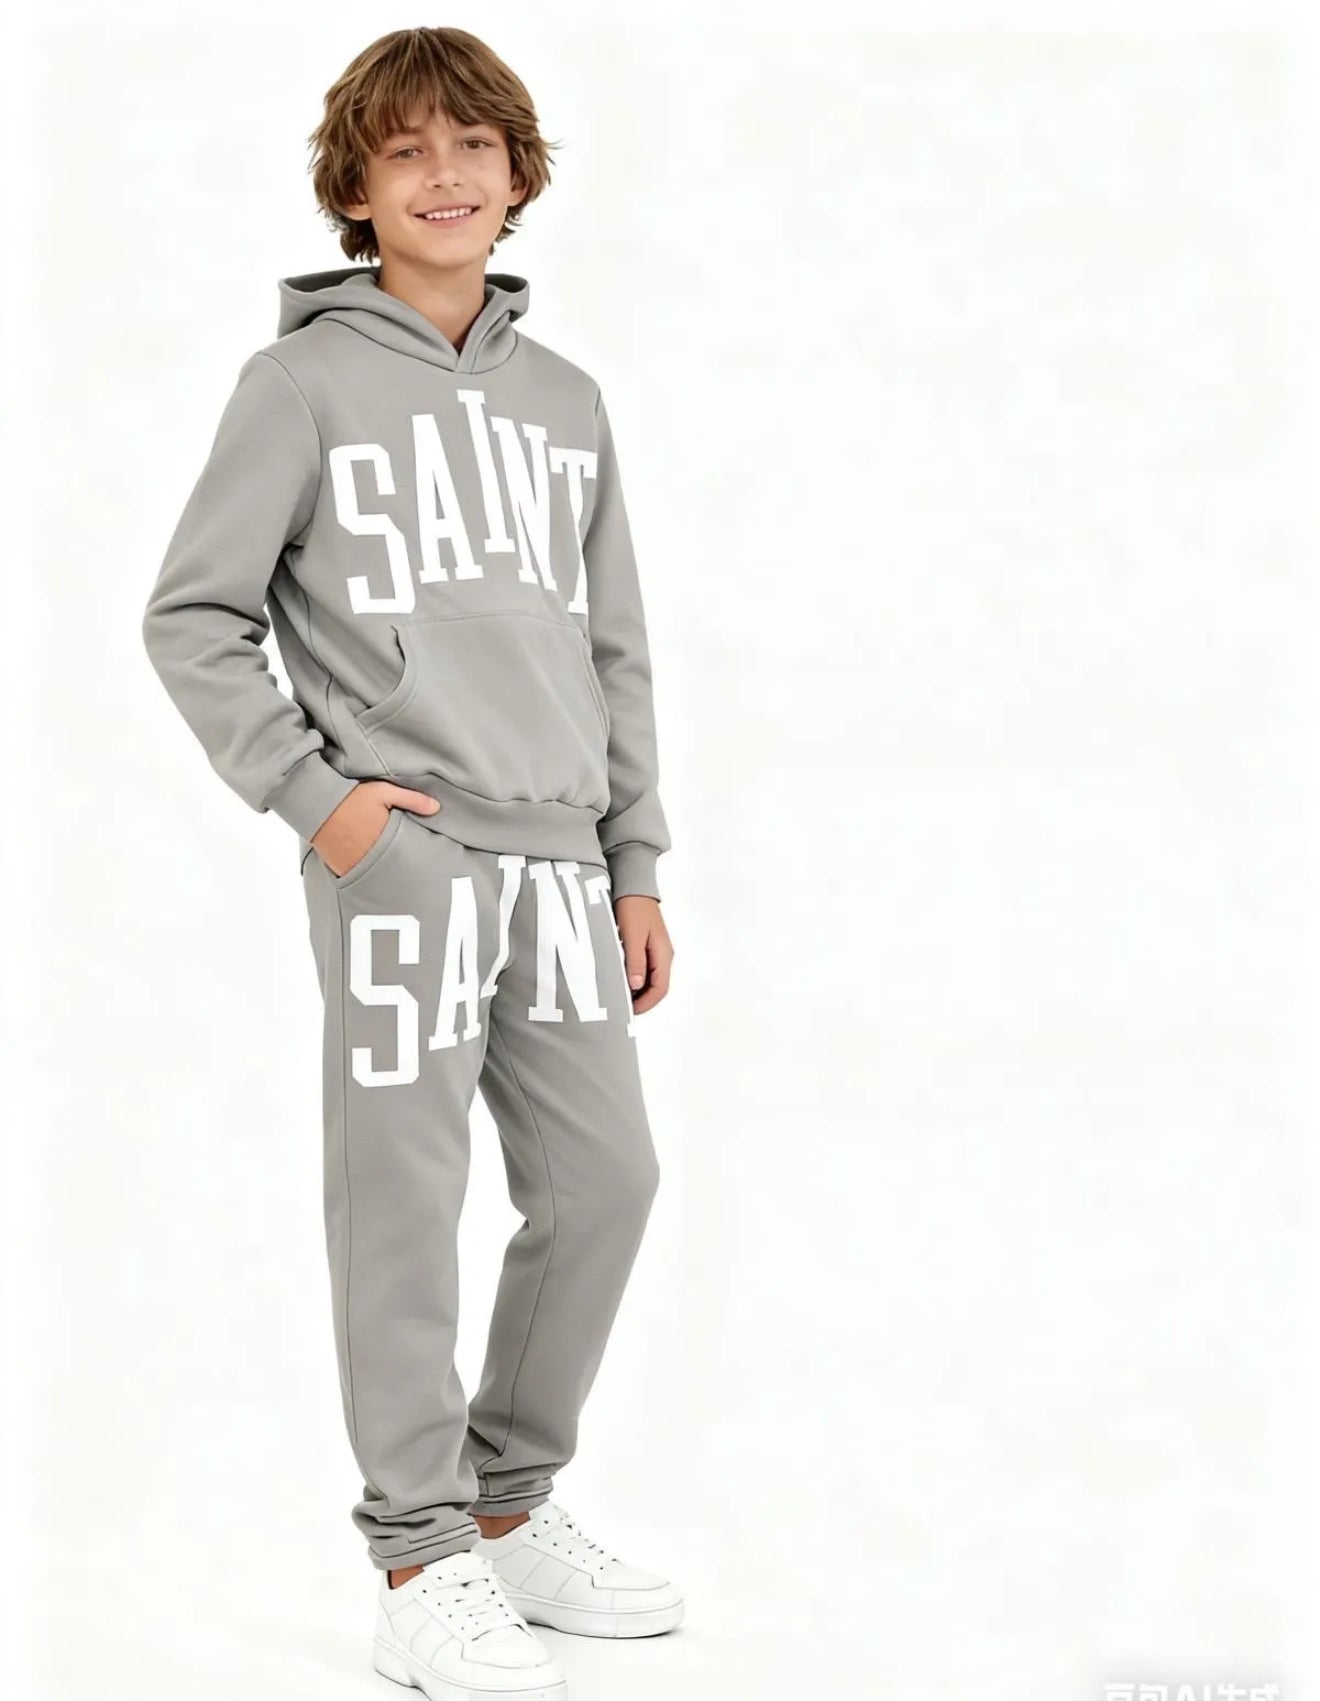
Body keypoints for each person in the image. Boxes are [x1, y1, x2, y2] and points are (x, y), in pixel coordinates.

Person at [140, 25, 680, 1698]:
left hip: (564, 863)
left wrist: (636, 859)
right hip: (403, 859)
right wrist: (327, 809)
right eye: (405, 151)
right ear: (357, 189)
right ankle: (420, 1551)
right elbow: (194, 617)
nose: (445, 175)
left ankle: (506, 1501)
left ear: (518, 175)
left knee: (606, 1183)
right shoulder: (298, 387)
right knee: (404, 1205)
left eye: (474, 146)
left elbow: (613, 647)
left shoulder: (569, 403)